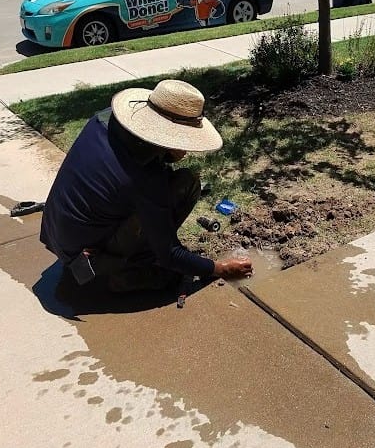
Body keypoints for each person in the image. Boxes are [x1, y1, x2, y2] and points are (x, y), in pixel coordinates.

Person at [40, 79, 253, 292]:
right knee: (187, 185)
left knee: (165, 194)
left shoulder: (105, 120)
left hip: (58, 235)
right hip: (85, 262)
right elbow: (170, 254)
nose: (187, 151)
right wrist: (219, 268)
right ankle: (122, 272)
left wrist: (165, 154)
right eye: (185, 141)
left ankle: (125, 255)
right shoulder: (144, 179)